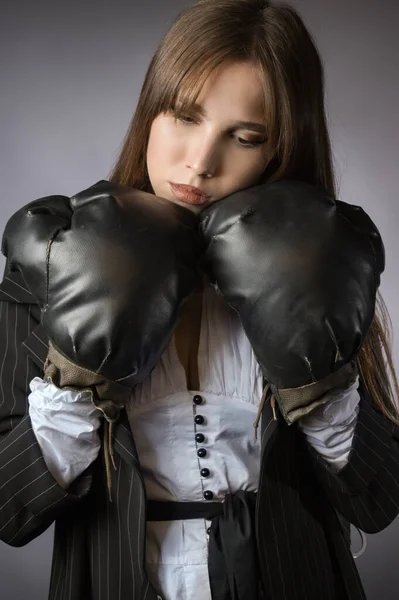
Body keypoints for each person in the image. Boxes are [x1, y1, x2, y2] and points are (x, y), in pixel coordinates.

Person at [0, 1, 399, 599]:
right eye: (184, 116)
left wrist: (319, 382)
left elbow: (378, 500)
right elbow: (10, 510)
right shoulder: (62, 260)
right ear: (149, 113)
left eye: (244, 136)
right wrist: (81, 379)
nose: (201, 161)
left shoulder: (317, 265)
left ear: (280, 148)